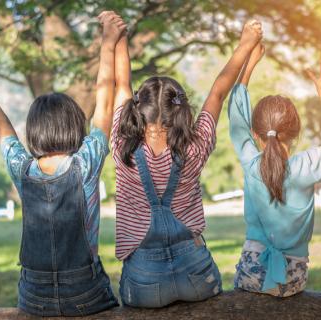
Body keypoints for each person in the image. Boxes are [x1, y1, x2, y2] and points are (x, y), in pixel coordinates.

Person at [0, 11, 126, 316]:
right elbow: (104, 99)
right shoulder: (85, 164)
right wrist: (108, 43)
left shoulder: (22, 171)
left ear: (34, 131)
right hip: (85, 293)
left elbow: (2, 126)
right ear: (76, 127)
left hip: (34, 297)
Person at [110, 20, 263, 307]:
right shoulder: (196, 146)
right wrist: (246, 43)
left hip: (144, 282)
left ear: (138, 109)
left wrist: (119, 37)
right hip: (196, 275)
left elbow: (121, 84)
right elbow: (218, 92)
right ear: (180, 110)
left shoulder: (122, 147)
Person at [229, 43, 321, 297]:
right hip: (293, 279)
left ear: (256, 135)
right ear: (295, 133)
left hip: (251, 273)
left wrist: (249, 65)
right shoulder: (307, 166)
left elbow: (236, 119)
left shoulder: (250, 162)